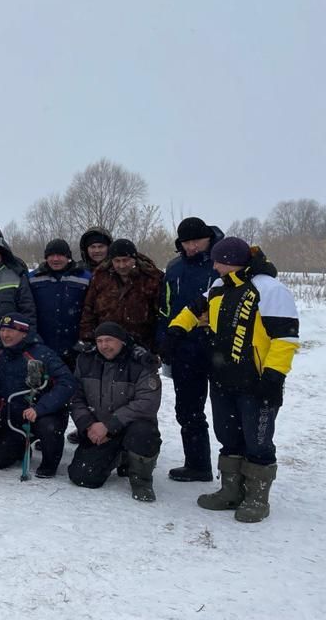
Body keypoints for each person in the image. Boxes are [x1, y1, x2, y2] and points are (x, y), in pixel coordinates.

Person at [165, 238, 299, 523]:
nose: (214, 266)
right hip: (223, 378)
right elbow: (192, 309)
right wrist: (176, 330)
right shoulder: (218, 287)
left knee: (258, 440)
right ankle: (230, 491)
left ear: (233, 260)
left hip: (258, 380)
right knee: (228, 436)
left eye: (218, 261)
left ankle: (257, 497)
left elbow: (285, 338)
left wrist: (274, 376)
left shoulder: (270, 289)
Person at [156, 217, 223, 483]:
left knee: (229, 412)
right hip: (184, 349)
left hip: (221, 350)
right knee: (188, 411)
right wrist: (164, 341)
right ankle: (198, 465)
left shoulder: (223, 264)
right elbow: (165, 308)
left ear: (209, 238)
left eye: (197, 240)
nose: (192, 246)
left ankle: (237, 472)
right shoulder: (174, 268)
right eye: (186, 242)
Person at [67, 321, 162, 502]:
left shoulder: (140, 364)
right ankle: (118, 455)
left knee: (144, 433)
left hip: (129, 427)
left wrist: (110, 425)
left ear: (122, 341)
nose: (104, 346)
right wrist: (88, 425)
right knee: (83, 477)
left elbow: (147, 403)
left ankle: (141, 479)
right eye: (100, 341)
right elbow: (75, 397)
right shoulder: (85, 360)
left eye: (109, 340)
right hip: (98, 428)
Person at [0, 313, 76, 478]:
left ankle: (50, 461)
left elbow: (67, 382)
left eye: (11, 331)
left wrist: (40, 408)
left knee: (48, 427)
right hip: (13, 420)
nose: (5, 335)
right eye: (3, 330)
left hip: (42, 414)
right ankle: (19, 446)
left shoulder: (41, 353)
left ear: (24, 333)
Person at [79, 238, 163, 351]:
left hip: (142, 346)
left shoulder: (151, 278)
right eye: (117, 261)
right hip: (107, 346)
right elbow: (88, 311)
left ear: (134, 259)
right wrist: (88, 338)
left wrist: (159, 343)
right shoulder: (100, 277)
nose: (122, 265)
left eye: (125, 260)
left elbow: (161, 315)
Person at [28, 238, 91, 369]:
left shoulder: (84, 277)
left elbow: (91, 309)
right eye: (51, 255)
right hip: (42, 343)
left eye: (60, 255)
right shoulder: (33, 278)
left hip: (74, 345)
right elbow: (26, 308)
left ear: (68, 257)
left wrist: (84, 339)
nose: (55, 259)